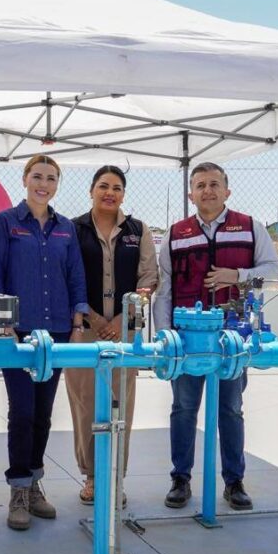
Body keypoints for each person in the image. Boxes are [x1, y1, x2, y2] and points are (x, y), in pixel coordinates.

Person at [152, 162, 278, 511]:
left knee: (231, 408)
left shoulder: (251, 228)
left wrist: (237, 275)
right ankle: (180, 479)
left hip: (233, 339)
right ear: (190, 193)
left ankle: (234, 481)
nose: (207, 191)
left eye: (214, 184)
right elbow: (163, 289)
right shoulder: (175, 234)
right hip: (187, 341)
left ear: (227, 190)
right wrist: (166, 338)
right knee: (183, 408)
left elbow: (274, 272)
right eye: (200, 185)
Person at [0, 154, 89, 531]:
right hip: (19, 333)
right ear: (25, 179)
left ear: (57, 184)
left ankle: (33, 485)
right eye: (37, 177)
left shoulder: (65, 228)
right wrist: (3, 325)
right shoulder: (5, 223)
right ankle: (17, 488)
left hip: (58, 330)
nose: (43, 184)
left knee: (44, 413)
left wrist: (78, 317)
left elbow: (75, 272)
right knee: (23, 411)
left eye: (51, 178)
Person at [65, 166, 158, 506]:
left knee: (121, 405)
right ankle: (91, 476)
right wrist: (91, 315)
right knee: (85, 404)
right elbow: (67, 276)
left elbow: (149, 277)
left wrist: (122, 317)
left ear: (123, 194)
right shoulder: (73, 229)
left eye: (117, 187)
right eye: (103, 186)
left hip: (124, 332)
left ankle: (115, 478)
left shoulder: (138, 230)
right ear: (91, 190)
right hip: (83, 330)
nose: (110, 192)